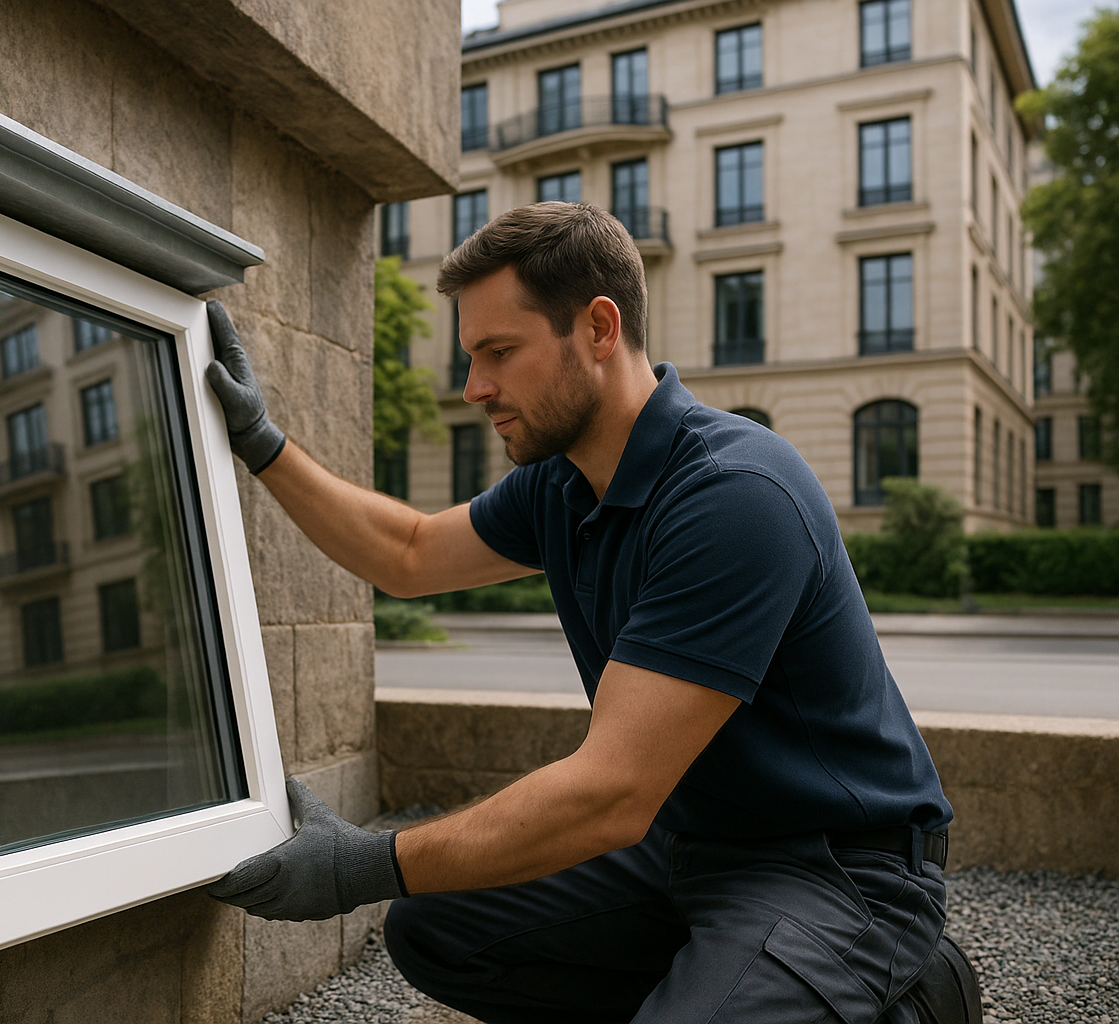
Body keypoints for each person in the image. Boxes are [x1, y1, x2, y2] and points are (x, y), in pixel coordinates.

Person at [203, 202, 981, 1023]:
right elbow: (409, 553)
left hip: (837, 867)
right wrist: (262, 444)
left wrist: (359, 865)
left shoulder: (734, 494)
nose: (474, 388)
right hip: (684, 846)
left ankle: (908, 998)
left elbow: (612, 791)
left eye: (500, 352)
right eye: (471, 357)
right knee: (436, 929)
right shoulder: (564, 481)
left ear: (600, 329)